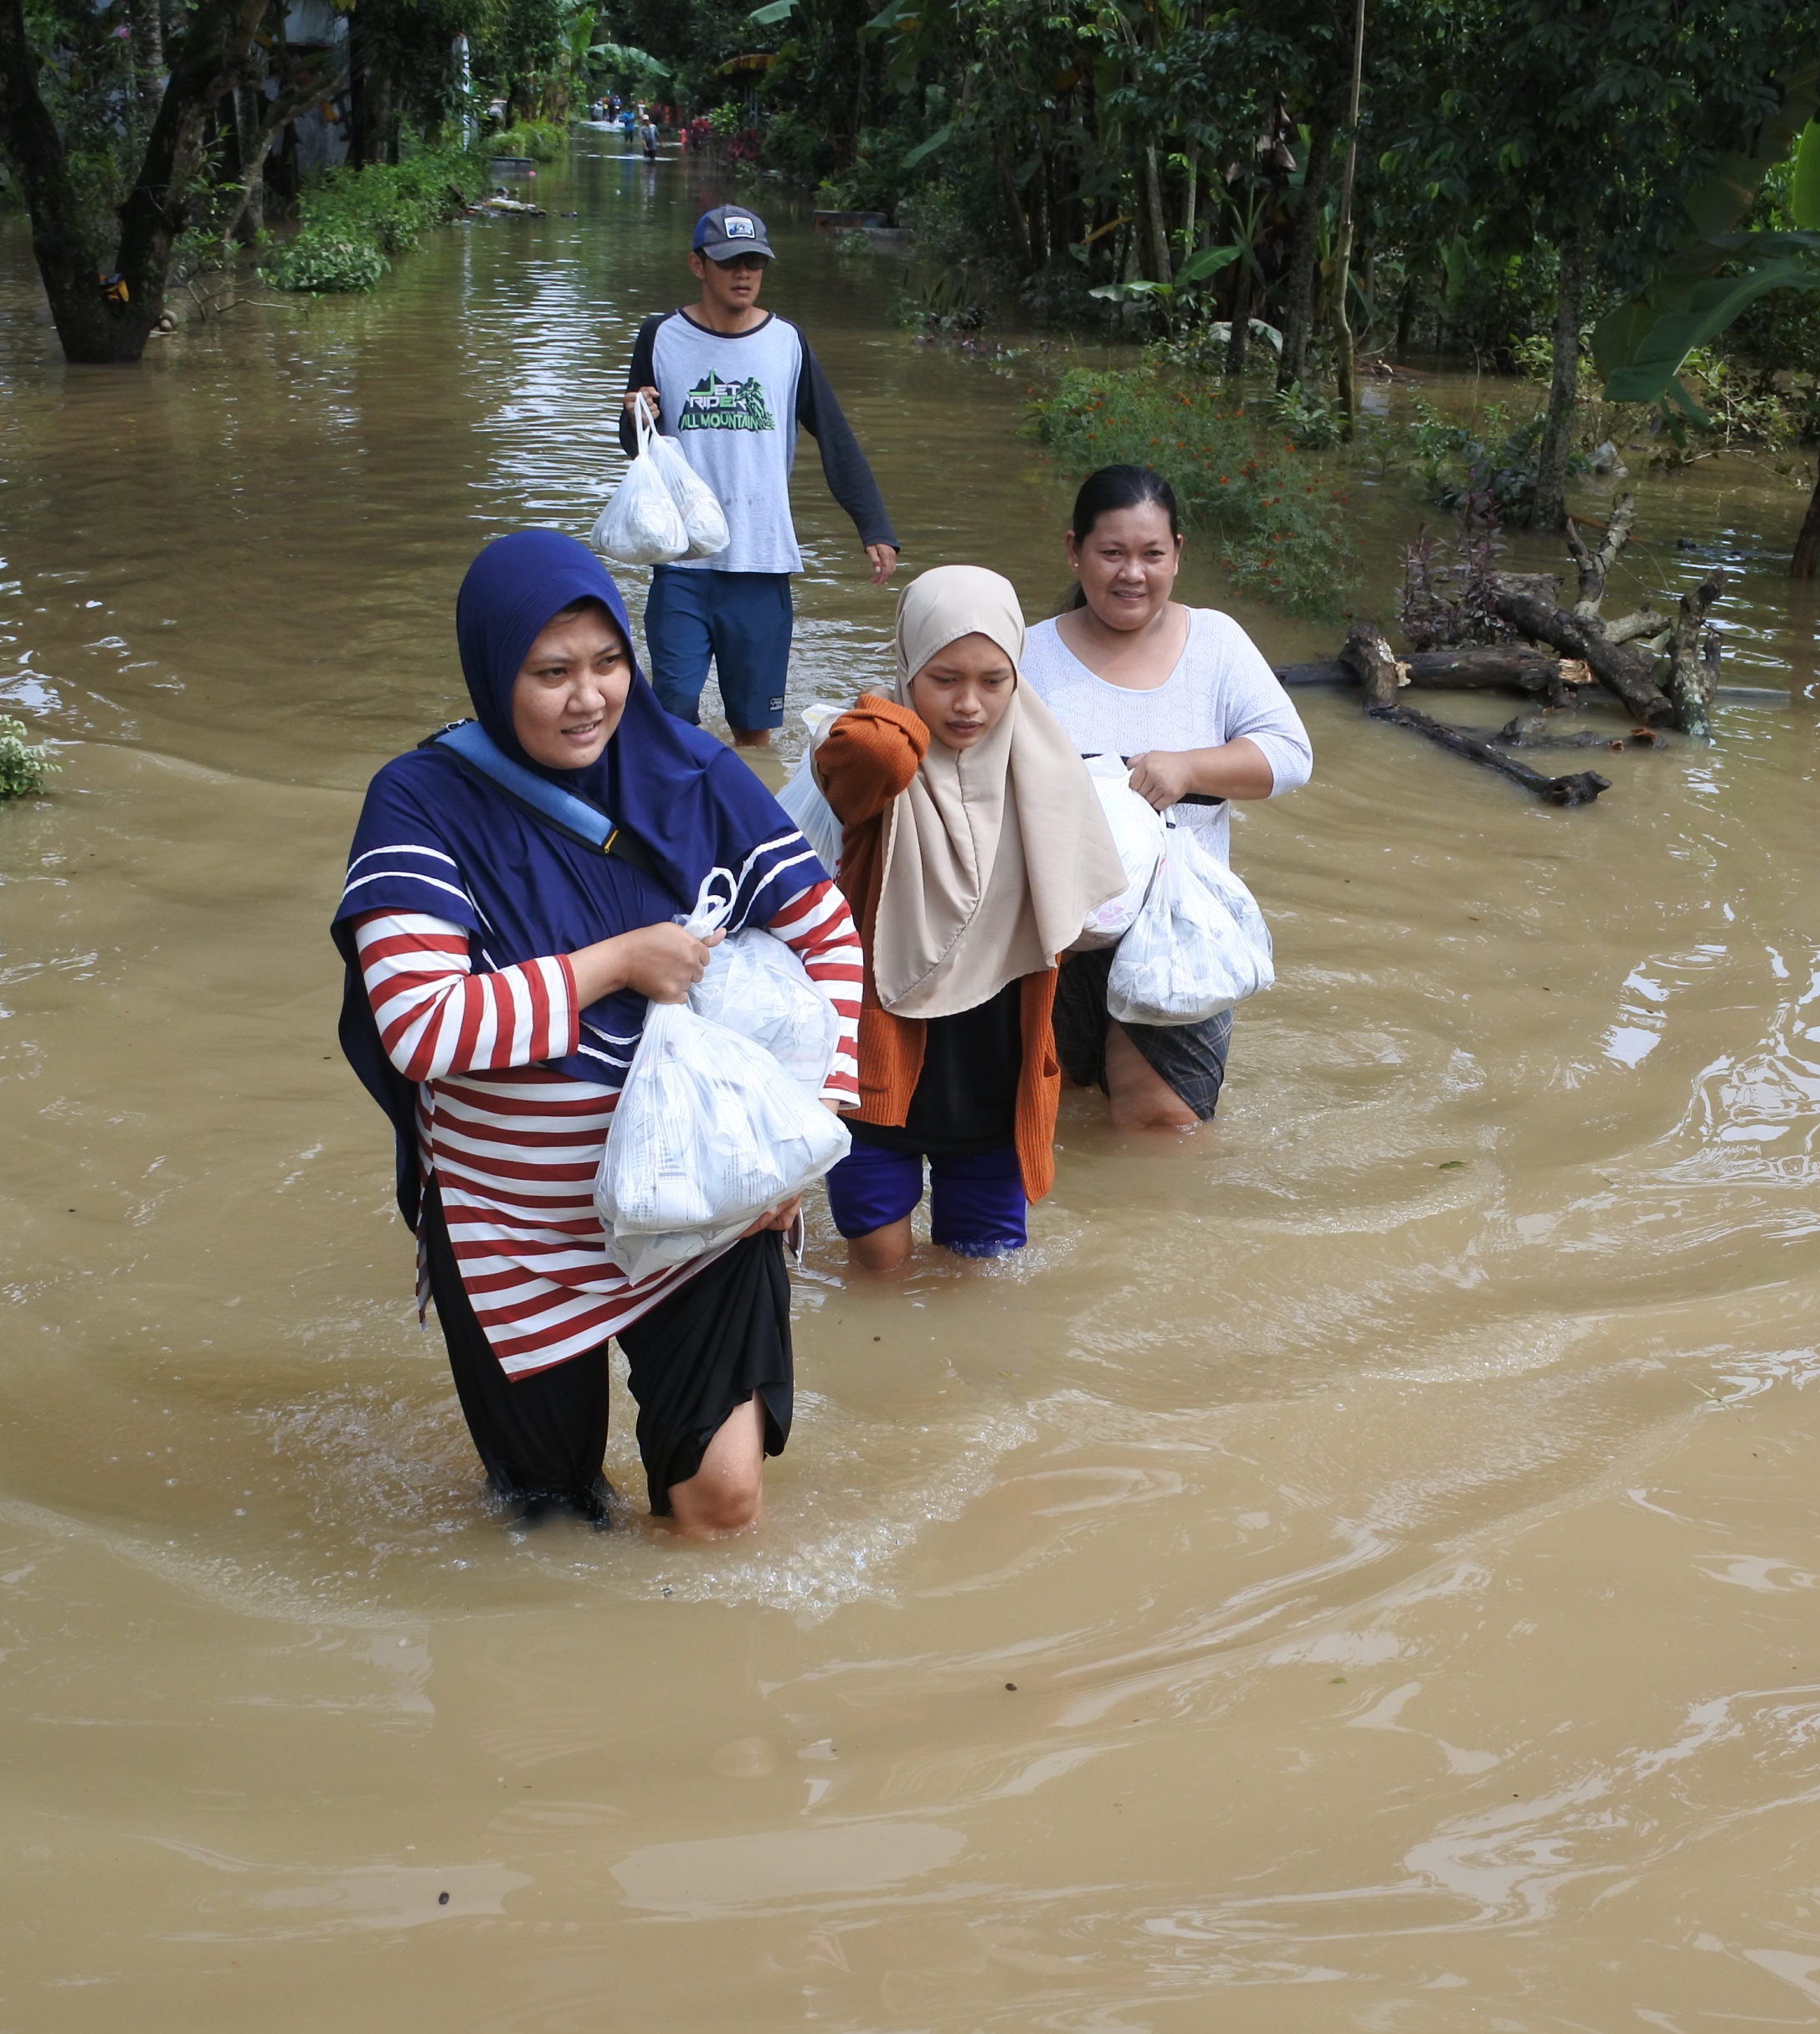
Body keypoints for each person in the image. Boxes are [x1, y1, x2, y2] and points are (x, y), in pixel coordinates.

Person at [331, 530, 865, 1537]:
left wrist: (806, 1135)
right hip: (510, 1234)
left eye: (609, 661)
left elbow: (829, 939)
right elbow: (421, 1026)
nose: (589, 697)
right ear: (495, 671)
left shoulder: (693, 774)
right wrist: (614, 963)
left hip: (707, 1207)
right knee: (552, 1521)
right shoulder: (421, 803)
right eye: (551, 672)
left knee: (721, 1502)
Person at [810, 568, 1125, 1273]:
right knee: (879, 1269)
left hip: (995, 1070)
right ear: (905, 663)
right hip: (877, 1068)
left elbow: (1073, 927)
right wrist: (898, 713)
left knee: (984, 1277)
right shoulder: (874, 767)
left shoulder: (1046, 767)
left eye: (994, 680)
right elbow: (868, 751)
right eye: (943, 677)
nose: (969, 705)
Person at [1021, 465, 1312, 1134]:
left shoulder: (1215, 643)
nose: (1133, 573)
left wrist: (1187, 768)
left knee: (1161, 1122)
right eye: (1112, 553)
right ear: (1074, 551)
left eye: (1152, 554)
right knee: (1052, 1114)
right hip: (1057, 935)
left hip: (1181, 928)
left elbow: (1291, 757)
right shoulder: (1028, 655)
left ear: (1178, 553)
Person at [616, 204, 898, 749]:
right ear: (698, 265)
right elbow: (636, 445)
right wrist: (636, 416)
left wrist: (874, 525)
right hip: (682, 561)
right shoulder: (660, 336)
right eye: (730, 262)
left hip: (762, 562)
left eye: (754, 262)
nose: (743, 274)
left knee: (753, 729)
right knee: (672, 711)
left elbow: (833, 435)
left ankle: (743, 816)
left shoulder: (786, 343)